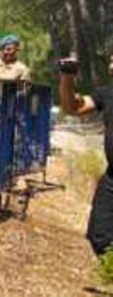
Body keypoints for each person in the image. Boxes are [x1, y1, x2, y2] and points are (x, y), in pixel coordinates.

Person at [57, 55, 113, 256]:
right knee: (100, 235)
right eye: (111, 61)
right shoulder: (107, 94)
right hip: (112, 177)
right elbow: (73, 107)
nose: (111, 66)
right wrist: (67, 77)